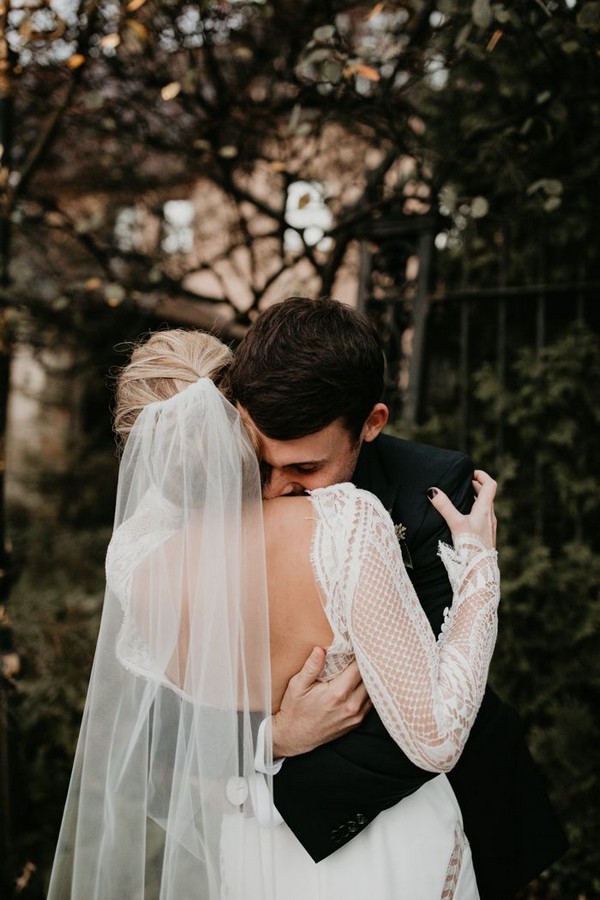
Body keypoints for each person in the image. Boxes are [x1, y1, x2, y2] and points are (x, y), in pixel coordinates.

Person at [48, 327, 501, 899]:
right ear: (241, 413)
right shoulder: (347, 523)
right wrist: (481, 565)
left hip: (254, 849)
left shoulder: (133, 557)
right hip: (388, 853)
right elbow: (436, 735)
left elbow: (161, 727)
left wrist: (255, 750)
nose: (286, 486)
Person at [224, 296, 568, 899]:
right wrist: (269, 739)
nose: (277, 489)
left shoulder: (433, 491)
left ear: (372, 423)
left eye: (305, 467)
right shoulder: (222, 484)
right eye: (265, 461)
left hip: (448, 805)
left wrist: (274, 790)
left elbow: (421, 704)